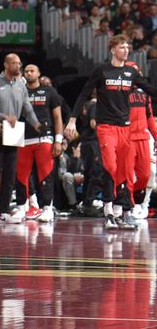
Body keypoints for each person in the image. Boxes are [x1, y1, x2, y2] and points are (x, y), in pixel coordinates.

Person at [65, 34, 157, 229]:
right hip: (106, 127)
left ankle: (122, 211)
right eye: (122, 47)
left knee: (124, 171)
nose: (126, 50)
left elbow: (149, 89)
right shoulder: (102, 71)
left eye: (127, 47)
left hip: (126, 128)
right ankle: (108, 210)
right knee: (111, 167)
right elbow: (83, 94)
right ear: (113, 50)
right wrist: (72, 120)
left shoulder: (131, 73)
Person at [0, 53, 40, 223]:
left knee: (10, 172)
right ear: (6, 64)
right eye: (14, 63)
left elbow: (27, 107)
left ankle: (4, 211)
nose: (18, 66)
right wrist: (3, 117)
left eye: (19, 63)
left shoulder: (21, 85)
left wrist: (35, 123)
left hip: (14, 131)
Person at [16, 64, 63, 223]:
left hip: (44, 138)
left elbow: (57, 118)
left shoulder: (50, 92)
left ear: (38, 73)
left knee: (46, 175)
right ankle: (22, 207)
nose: (29, 73)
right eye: (26, 71)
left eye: (32, 71)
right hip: (22, 139)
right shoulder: (19, 92)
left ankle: (47, 209)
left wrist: (58, 140)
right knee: (21, 176)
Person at [124, 62, 157, 220]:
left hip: (143, 137)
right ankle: (129, 206)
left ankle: (140, 202)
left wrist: (156, 137)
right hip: (127, 136)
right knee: (128, 174)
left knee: (146, 174)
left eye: (138, 71)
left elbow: (149, 118)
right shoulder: (120, 91)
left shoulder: (145, 93)